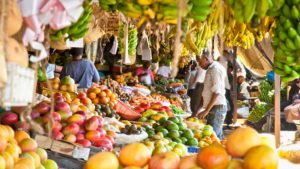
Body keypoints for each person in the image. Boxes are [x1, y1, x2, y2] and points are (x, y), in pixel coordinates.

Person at [196, 49, 227, 139]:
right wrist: (198, 109)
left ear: (206, 58)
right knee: (216, 137)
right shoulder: (210, 69)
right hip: (214, 108)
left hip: (217, 108)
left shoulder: (215, 69)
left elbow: (217, 92)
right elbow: (206, 92)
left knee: (212, 138)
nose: (199, 65)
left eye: (200, 62)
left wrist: (206, 111)